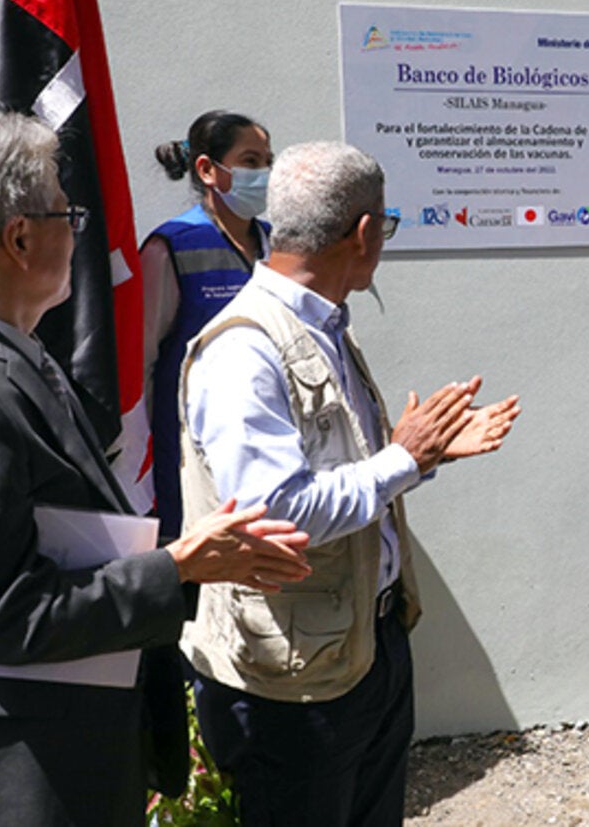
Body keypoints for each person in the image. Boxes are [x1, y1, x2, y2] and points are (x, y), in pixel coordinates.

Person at [0, 102, 314, 827]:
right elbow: (3, 615)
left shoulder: (3, 353)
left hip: (54, 747)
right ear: (20, 238)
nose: (79, 232)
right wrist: (179, 566)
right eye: (68, 214)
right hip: (10, 779)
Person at [179, 139, 521, 825]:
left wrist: (424, 456)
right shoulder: (245, 350)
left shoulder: (325, 324)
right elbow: (277, 515)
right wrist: (403, 458)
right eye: (385, 225)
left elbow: (343, 473)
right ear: (363, 232)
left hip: (363, 642)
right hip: (292, 681)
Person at [142, 109, 274, 540]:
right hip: (189, 449)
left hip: (267, 441)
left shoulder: (278, 244)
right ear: (207, 169)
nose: (264, 174)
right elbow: (140, 363)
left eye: (268, 161)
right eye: (250, 161)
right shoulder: (172, 247)